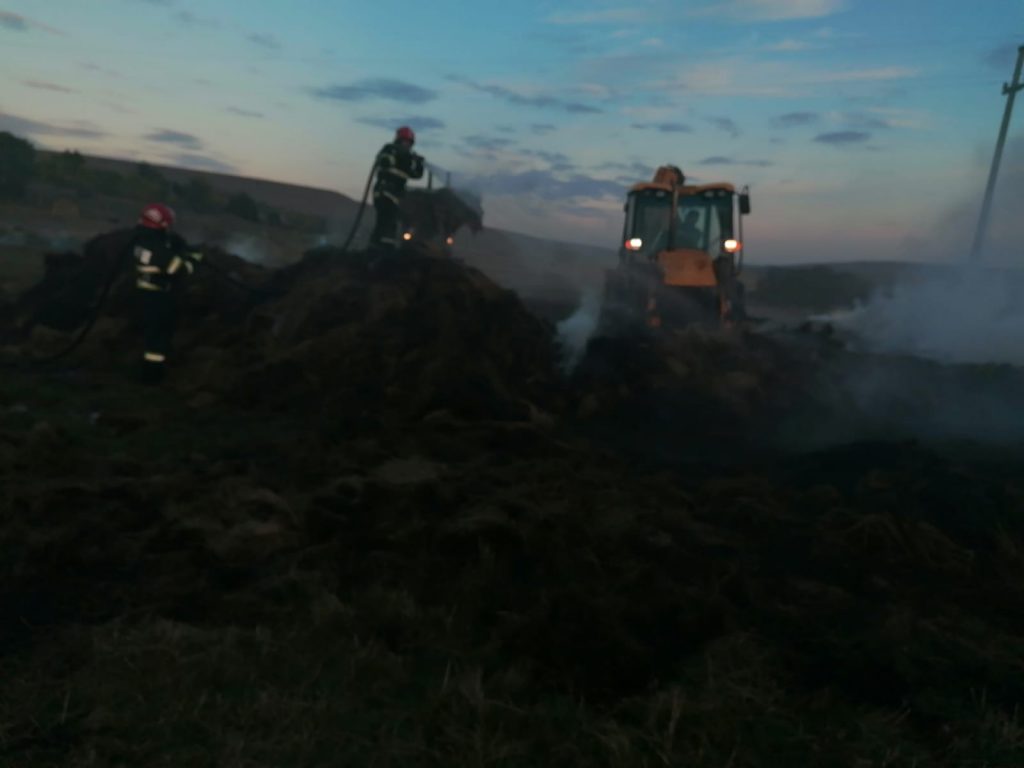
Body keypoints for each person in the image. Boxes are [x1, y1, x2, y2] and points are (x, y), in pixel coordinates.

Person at [131, 203, 203, 384]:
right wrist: (193, 260)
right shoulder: (155, 247)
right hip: (157, 297)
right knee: (158, 337)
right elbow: (176, 269)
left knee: (153, 334)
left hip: (146, 294)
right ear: (162, 224)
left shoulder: (142, 239)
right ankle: (151, 376)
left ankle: (148, 371)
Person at [369, 126, 425, 250]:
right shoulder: (390, 149)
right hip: (384, 191)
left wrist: (419, 164)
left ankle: (383, 247)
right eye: (405, 142)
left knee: (391, 222)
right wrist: (401, 155)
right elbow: (385, 161)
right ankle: (379, 248)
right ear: (399, 140)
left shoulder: (406, 160)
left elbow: (416, 175)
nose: (408, 145)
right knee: (385, 220)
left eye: (409, 143)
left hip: (395, 196)